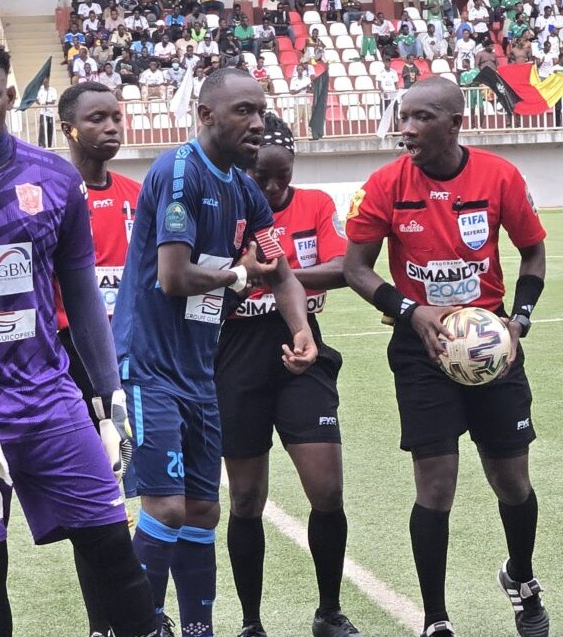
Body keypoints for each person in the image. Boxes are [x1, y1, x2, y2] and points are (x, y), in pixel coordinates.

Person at [0, 36, 157, 637]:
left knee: (113, 554)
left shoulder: (53, 178)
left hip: (50, 400)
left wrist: (111, 395)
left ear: (11, 97)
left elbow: (79, 290)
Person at [112, 68, 317, 637]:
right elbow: (174, 277)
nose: (258, 122)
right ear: (205, 115)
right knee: (167, 507)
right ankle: (141, 624)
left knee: (204, 510)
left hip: (200, 371)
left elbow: (277, 270)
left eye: (261, 110)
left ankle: (199, 628)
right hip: (148, 363)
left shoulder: (246, 189)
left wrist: (301, 329)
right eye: (243, 111)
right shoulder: (178, 171)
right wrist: (237, 274)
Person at [343, 77, 551, 637]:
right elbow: (356, 268)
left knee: (512, 481)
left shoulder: (499, 176)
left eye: (421, 117)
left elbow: (532, 251)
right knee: (435, 486)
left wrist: (520, 320)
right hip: (420, 350)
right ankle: (436, 618)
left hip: (490, 349)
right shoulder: (384, 184)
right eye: (403, 116)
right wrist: (411, 311)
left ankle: (522, 579)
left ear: (455, 123)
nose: (406, 128)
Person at [218, 113, 361, 637]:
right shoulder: (229, 211)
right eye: (263, 178)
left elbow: (343, 267)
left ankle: (329, 611)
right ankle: (252, 623)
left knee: (326, 491)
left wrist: (275, 277)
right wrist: (248, 278)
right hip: (235, 360)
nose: (275, 188)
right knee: (246, 498)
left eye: (284, 175)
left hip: (305, 353)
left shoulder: (317, 205)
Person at [55, 80, 145, 637]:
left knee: (148, 497)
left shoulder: (139, 193)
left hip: (134, 359)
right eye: (96, 119)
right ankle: (101, 626)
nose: (111, 127)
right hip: (73, 360)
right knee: (99, 501)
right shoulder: (49, 192)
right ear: (70, 128)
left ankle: (141, 616)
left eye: (116, 116)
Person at [37, 75, 58, 148]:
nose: (44, 82)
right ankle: (41, 145)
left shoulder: (53, 90)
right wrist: (40, 103)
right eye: (43, 81)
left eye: (45, 81)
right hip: (43, 112)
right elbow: (37, 99)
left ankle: (49, 145)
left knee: (50, 129)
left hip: (50, 112)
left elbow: (54, 101)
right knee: (42, 129)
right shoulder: (40, 90)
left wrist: (47, 103)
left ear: (48, 81)